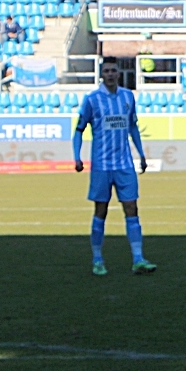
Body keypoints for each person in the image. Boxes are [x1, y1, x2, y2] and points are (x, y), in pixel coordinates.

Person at [72, 58, 155, 277]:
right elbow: (79, 129)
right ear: (102, 74)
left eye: (113, 70)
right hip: (101, 165)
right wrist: (77, 157)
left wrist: (142, 153)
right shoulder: (92, 100)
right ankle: (97, 259)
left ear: (118, 73)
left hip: (124, 164)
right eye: (106, 71)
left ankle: (138, 259)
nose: (110, 74)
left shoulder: (128, 97)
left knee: (132, 208)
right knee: (101, 210)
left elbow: (133, 127)